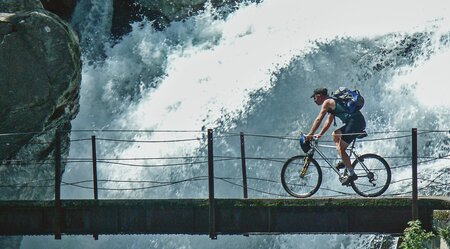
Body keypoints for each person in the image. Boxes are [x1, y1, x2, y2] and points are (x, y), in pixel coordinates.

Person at [306, 87, 366, 185]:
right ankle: (345, 161)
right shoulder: (333, 102)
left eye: (314, 98)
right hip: (357, 121)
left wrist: (310, 134)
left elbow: (319, 119)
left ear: (319, 96)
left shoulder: (327, 102)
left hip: (355, 123)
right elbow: (328, 122)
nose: (314, 101)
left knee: (342, 149)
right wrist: (319, 135)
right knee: (335, 134)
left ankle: (351, 174)